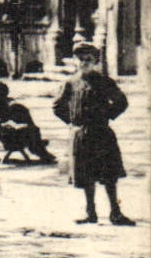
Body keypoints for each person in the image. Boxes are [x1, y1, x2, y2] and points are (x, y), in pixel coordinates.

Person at [53, 43, 134, 226]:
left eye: (88, 59)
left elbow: (121, 102)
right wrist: (73, 122)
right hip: (80, 135)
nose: (84, 63)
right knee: (85, 175)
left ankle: (115, 212)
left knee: (109, 174)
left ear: (96, 61)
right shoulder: (70, 83)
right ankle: (91, 213)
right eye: (80, 59)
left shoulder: (104, 82)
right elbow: (57, 107)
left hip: (101, 133)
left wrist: (108, 115)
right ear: (75, 61)